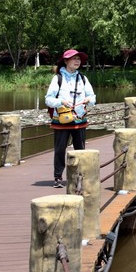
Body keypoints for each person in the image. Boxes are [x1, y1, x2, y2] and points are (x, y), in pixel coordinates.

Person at [46, 48, 96, 188]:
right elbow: (48, 100)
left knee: (80, 149)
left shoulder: (82, 78)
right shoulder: (58, 79)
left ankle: (80, 176)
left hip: (79, 119)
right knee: (60, 149)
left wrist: (88, 100)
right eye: (74, 59)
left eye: (79, 59)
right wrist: (61, 102)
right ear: (66, 61)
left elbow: (93, 97)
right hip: (62, 120)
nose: (77, 61)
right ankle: (58, 177)